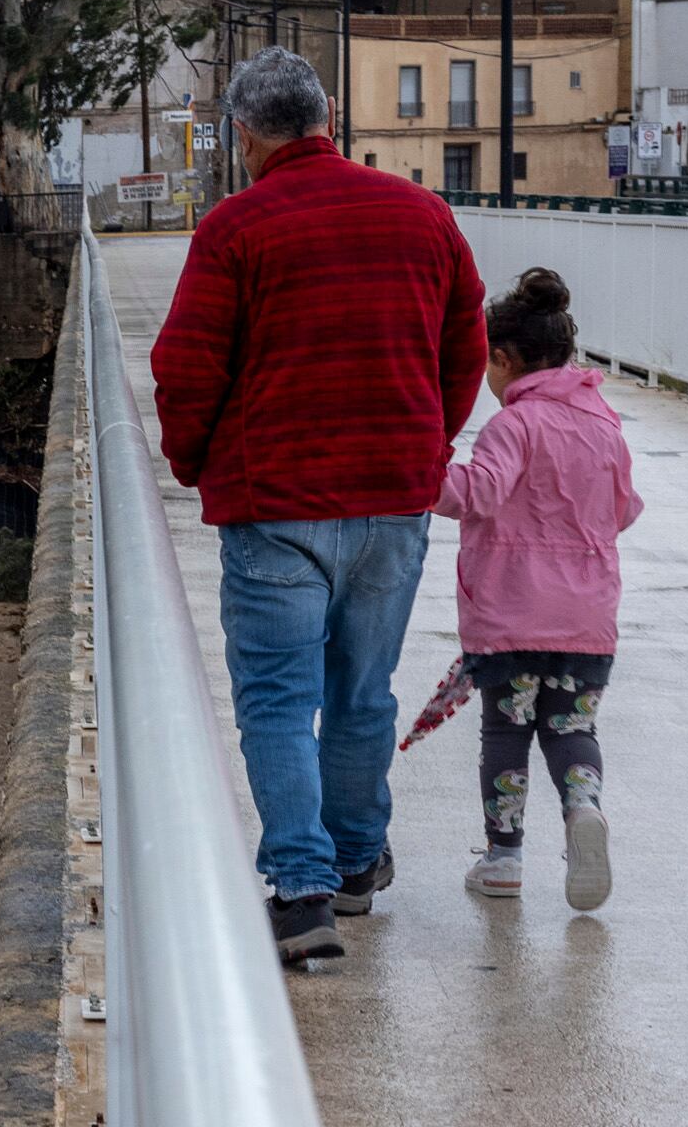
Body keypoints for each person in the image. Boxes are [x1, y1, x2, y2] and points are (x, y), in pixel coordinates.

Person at [150, 49, 487, 964]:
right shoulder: (426, 215)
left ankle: (300, 895)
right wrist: (427, 444)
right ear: (329, 113)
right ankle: (352, 867)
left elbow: (185, 368)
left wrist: (195, 463)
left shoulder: (234, 229)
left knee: (275, 701)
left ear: (244, 135)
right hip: (392, 502)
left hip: (275, 504)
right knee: (360, 694)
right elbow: (468, 346)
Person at [435, 267, 639, 909]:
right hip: (586, 618)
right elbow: (625, 509)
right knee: (573, 726)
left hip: (512, 615)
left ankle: (504, 859)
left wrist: (421, 471)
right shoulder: (604, 425)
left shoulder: (513, 425)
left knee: (507, 731)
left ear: (501, 358)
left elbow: (479, 493)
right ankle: (584, 809)